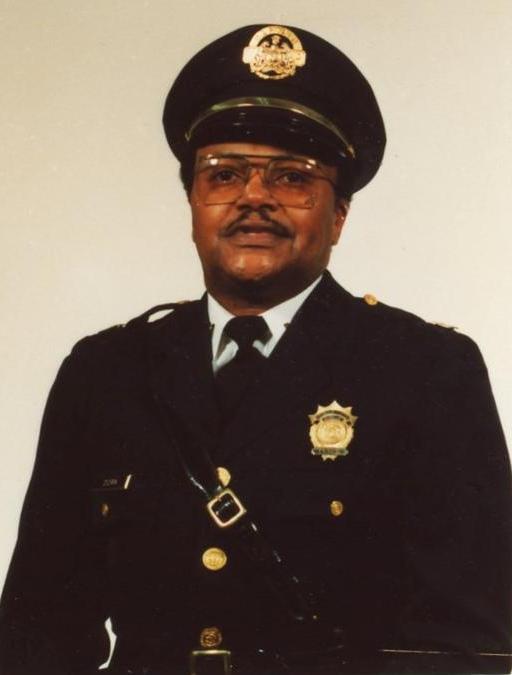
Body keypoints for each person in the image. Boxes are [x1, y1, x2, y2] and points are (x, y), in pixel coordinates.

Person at [0, 23, 510, 675]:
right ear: (193, 200)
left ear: (339, 215)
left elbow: (464, 648)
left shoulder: (426, 373)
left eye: (293, 177)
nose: (254, 198)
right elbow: (36, 632)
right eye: (225, 175)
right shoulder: (105, 374)